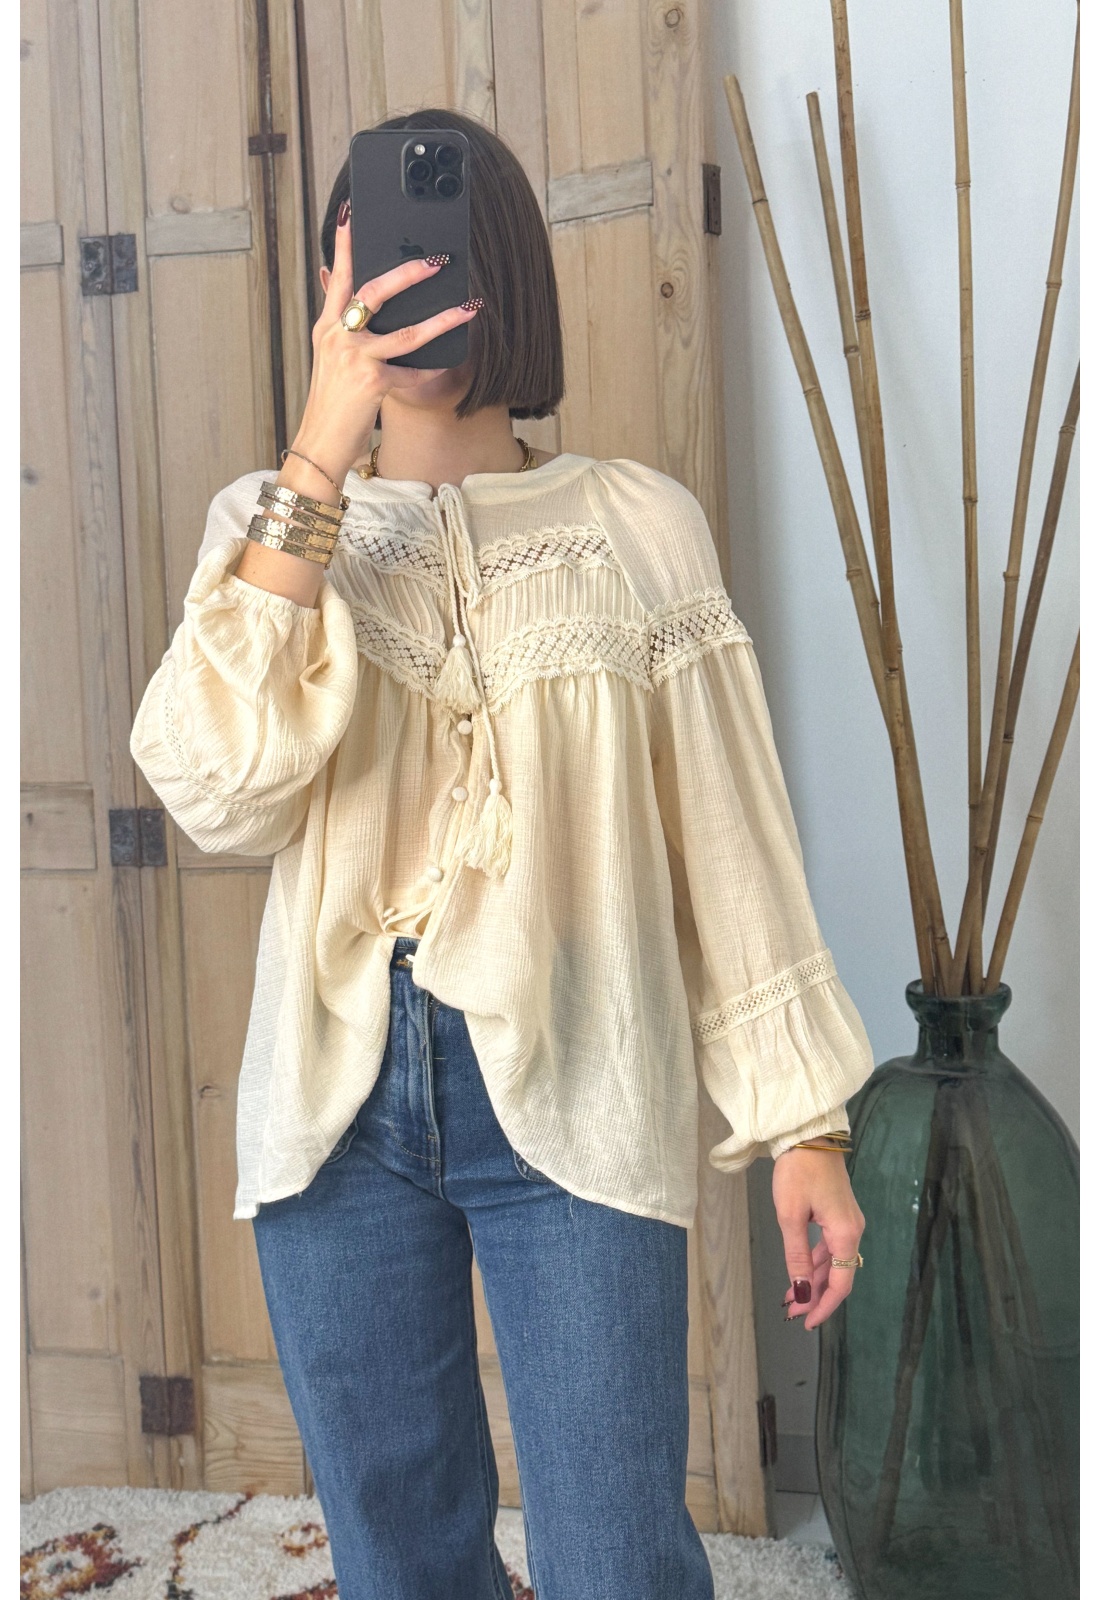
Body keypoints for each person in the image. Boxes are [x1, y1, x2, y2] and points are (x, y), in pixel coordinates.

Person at [130, 108, 871, 1600]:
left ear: (504, 273)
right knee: (399, 1559)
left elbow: (729, 834)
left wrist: (806, 1125)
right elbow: (217, 788)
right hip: (334, 1107)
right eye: (373, 263)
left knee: (616, 1559)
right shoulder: (271, 531)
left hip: (582, 1070)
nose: (406, 289)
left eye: (439, 256)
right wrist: (321, 451)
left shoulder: (635, 526)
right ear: (333, 288)